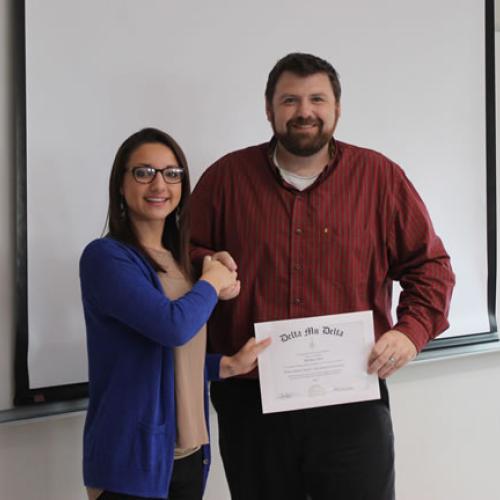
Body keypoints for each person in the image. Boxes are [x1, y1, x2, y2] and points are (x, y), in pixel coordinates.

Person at [189, 53, 455, 500]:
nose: (304, 111)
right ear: (269, 108)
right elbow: (180, 259)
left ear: (337, 109)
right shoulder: (224, 180)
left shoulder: (380, 178)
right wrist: (206, 265)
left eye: (317, 99)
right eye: (289, 99)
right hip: (251, 402)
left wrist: (411, 332)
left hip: (352, 396)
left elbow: (429, 267)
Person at [79, 127, 270, 500]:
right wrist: (212, 283)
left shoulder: (181, 262)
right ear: (121, 183)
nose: (159, 184)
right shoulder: (106, 257)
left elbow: (165, 357)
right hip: (131, 459)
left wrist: (225, 366)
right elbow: (172, 327)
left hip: (189, 453)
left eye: (172, 173)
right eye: (143, 172)